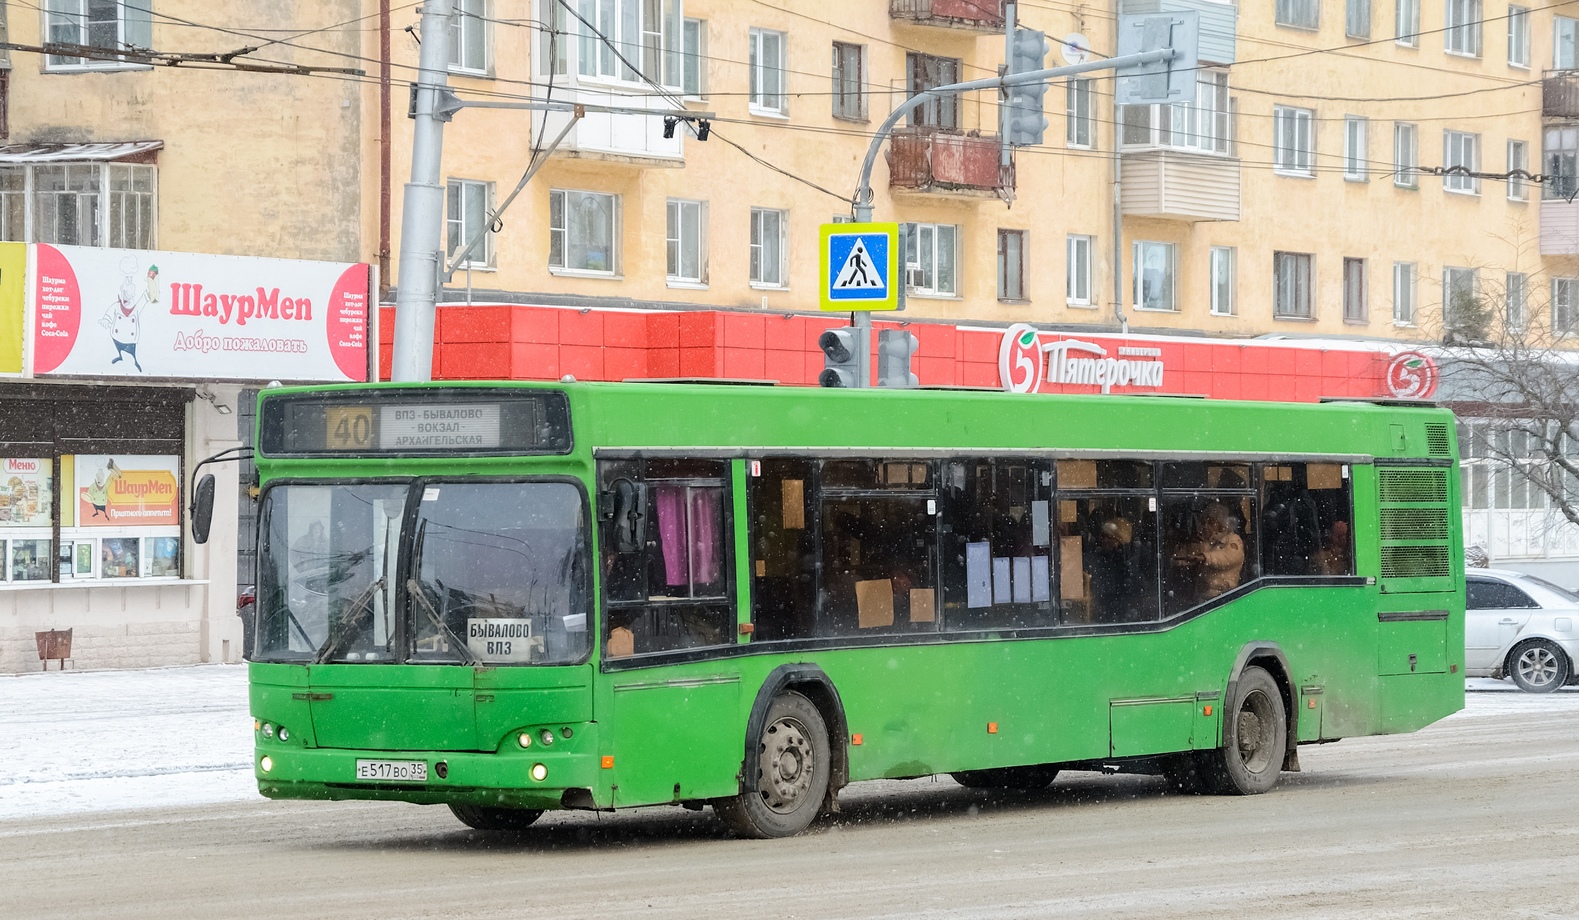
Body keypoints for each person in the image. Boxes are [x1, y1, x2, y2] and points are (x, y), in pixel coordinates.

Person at [1172, 502, 1246, 602]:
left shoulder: (1233, 540)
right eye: (1203, 523)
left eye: (1211, 522)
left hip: (1223, 597)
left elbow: (1229, 557)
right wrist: (1188, 545)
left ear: (1222, 524)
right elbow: (1181, 559)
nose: (1206, 526)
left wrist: (1205, 557)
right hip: (1202, 598)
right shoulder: (1206, 542)